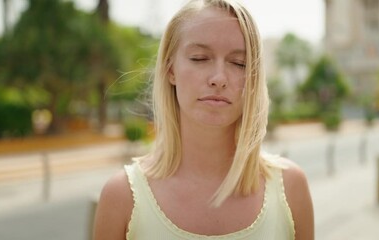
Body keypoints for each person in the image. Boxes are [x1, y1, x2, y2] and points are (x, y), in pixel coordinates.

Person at [93, 0, 314, 239]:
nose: (219, 78)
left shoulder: (291, 188)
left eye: (239, 63)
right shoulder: (122, 197)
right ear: (170, 70)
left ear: (254, 77)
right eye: (199, 58)